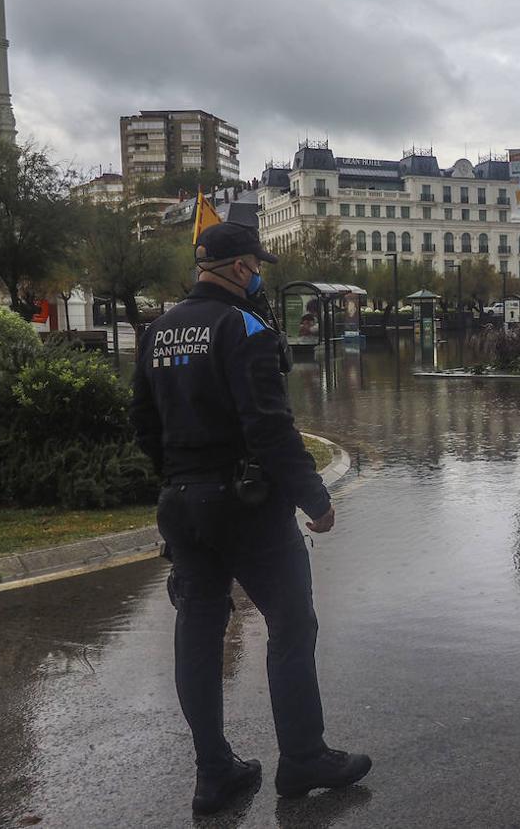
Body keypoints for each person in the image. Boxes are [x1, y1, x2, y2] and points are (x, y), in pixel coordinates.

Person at [130, 221, 371, 815]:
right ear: (240, 268)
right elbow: (269, 426)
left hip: (182, 504)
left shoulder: (157, 330)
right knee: (291, 625)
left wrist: (180, 476)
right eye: (255, 265)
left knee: (199, 632)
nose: (258, 273)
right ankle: (303, 758)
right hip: (246, 504)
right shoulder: (246, 326)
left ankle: (214, 774)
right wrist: (314, 497)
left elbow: (142, 421)